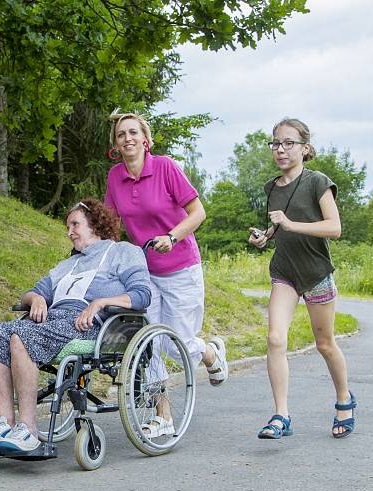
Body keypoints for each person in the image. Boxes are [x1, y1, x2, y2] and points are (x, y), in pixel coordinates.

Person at [0, 198, 152, 454]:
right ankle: (4, 422)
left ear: (95, 224)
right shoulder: (67, 265)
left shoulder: (123, 251)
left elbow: (142, 294)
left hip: (89, 325)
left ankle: (29, 430)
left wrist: (100, 303)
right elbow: (34, 291)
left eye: (75, 224)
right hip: (53, 323)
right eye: (68, 227)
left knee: (20, 336)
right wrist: (35, 299)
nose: (70, 232)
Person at [104, 111, 228, 437]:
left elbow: (198, 212)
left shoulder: (165, 167)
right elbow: (111, 223)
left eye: (133, 133)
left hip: (180, 268)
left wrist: (172, 236)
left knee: (178, 346)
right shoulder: (115, 177)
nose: (128, 138)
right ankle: (163, 415)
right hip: (144, 272)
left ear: (145, 140)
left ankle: (210, 352)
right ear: (116, 144)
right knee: (149, 344)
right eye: (121, 135)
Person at [248, 117, 356, 439]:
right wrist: (264, 238)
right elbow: (278, 227)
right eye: (276, 143)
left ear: (304, 148)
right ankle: (281, 415)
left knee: (324, 344)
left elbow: (334, 228)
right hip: (285, 273)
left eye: (288, 143)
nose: (280, 149)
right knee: (275, 339)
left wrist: (292, 224)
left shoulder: (317, 182)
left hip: (317, 274)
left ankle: (344, 399)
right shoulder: (271, 188)